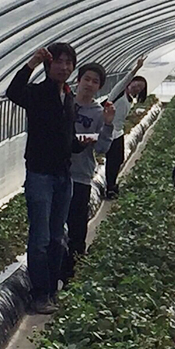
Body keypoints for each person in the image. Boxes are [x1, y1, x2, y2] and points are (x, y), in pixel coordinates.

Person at [6, 43, 92, 314]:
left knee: (57, 238)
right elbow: (13, 92)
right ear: (49, 66)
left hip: (63, 176)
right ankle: (39, 294)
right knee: (40, 238)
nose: (64, 67)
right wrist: (31, 63)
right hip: (40, 175)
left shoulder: (67, 96)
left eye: (69, 63)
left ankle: (52, 291)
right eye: (59, 62)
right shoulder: (38, 93)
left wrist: (79, 145)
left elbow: (65, 137)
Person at [60, 63, 115, 284]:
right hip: (57, 173)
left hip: (81, 176)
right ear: (78, 80)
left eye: (95, 82)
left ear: (99, 87)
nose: (90, 84)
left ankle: (71, 275)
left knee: (76, 228)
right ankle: (53, 274)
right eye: (87, 79)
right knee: (54, 229)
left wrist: (108, 125)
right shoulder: (64, 103)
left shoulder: (99, 113)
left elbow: (101, 148)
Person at [104, 56, 148, 199]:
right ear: (131, 82)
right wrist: (137, 67)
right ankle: (110, 188)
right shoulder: (119, 92)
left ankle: (112, 183)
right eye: (136, 84)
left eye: (140, 88)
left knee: (119, 159)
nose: (137, 87)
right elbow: (125, 79)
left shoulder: (131, 99)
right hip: (109, 131)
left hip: (118, 132)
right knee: (112, 160)